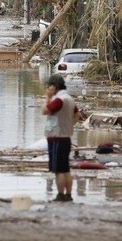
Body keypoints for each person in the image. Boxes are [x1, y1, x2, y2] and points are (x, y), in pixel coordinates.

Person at [42, 74, 80, 202]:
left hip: (56, 137)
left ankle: (60, 195)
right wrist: (69, 125)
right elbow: (77, 115)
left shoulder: (58, 100)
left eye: (49, 87)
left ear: (54, 87)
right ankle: (68, 195)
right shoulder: (69, 98)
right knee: (65, 169)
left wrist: (47, 97)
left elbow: (45, 111)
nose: (48, 89)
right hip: (65, 136)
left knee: (59, 170)